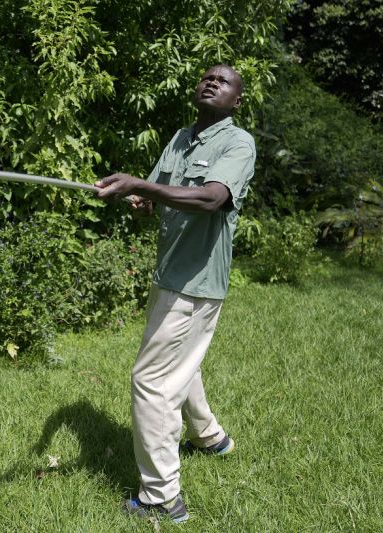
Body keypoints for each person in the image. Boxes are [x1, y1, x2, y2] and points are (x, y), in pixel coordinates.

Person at [94, 64, 256, 523]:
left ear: (236, 100)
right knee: (183, 363)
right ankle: (210, 437)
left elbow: (209, 198)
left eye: (222, 82)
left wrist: (142, 185)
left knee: (152, 382)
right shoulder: (181, 138)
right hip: (170, 276)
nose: (211, 83)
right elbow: (156, 198)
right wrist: (141, 202)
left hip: (195, 284)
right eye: (207, 77)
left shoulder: (238, 143)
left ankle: (162, 498)